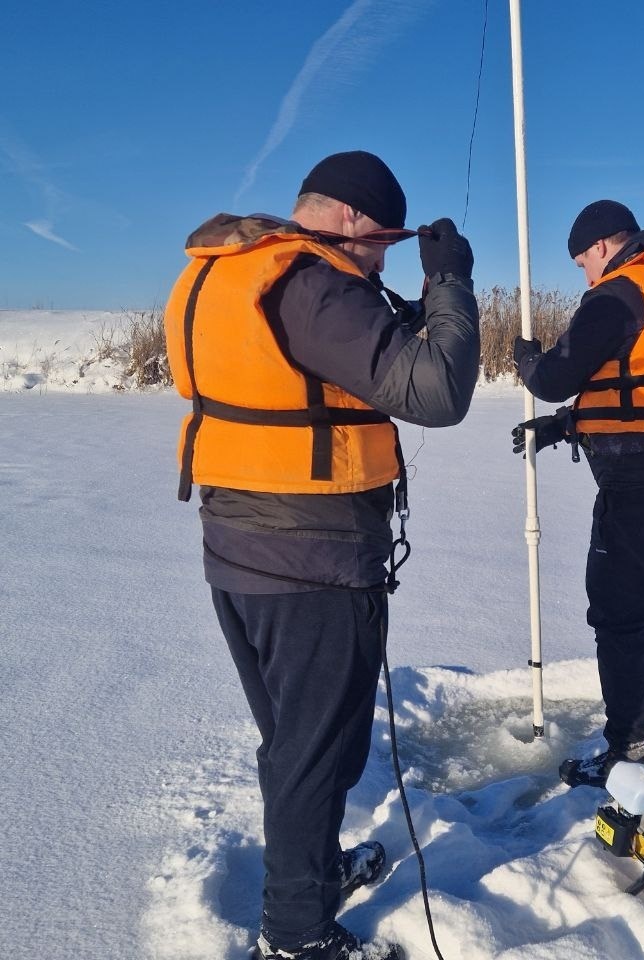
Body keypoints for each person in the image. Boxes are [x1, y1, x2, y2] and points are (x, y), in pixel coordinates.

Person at [164, 150, 480, 960]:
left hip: (241, 547)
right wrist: (450, 286)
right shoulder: (311, 282)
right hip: (310, 558)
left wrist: (401, 306)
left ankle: (312, 871)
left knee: (307, 742)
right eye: (381, 243)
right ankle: (297, 934)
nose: (380, 259)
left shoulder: (240, 271)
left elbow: (342, 371)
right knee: (312, 750)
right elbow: (437, 394)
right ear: (348, 219)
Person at [511, 199, 644, 788]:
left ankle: (629, 751)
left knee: (621, 617)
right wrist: (566, 426)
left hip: (639, 488)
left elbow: (556, 376)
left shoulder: (618, 292)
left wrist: (528, 360)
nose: (584, 273)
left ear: (602, 246)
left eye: (582, 261)